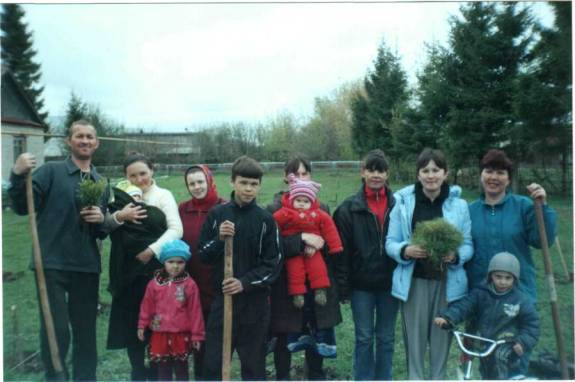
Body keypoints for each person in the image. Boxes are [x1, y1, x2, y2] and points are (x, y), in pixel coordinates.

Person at [8, 120, 107, 380]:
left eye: (89, 137)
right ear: (68, 141)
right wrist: (17, 174)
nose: (85, 141)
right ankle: (56, 376)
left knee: (86, 333)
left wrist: (100, 219)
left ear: (96, 143)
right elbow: (21, 206)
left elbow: (101, 232)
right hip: (51, 263)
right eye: (79, 136)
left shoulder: (100, 182)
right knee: (56, 330)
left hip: (86, 266)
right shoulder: (50, 172)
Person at [385, 148, 473, 380]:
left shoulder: (460, 206)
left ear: (446, 173)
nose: (431, 175)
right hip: (414, 283)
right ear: (418, 174)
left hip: (447, 284)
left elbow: (468, 244)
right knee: (414, 342)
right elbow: (390, 243)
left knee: (441, 340)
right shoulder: (403, 203)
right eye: (425, 170)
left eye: (436, 170)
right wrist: (405, 250)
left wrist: (456, 256)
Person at [466, 149, 556, 374]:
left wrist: (543, 207)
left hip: (518, 296)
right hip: (484, 299)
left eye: (500, 172)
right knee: (487, 363)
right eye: (488, 171)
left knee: (514, 361)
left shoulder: (524, 206)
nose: (493, 177)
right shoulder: (470, 211)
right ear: (481, 174)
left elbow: (542, 240)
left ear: (508, 178)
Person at [199, 155, 281, 380]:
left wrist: (244, 283)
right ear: (232, 182)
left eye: (253, 184)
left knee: (254, 367)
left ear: (259, 186)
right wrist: (219, 238)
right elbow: (203, 255)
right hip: (222, 302)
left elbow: (273, 265)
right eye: (243, 183)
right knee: (214, 364)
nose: (248, 189)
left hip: (254, 307)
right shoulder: (217, 215)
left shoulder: (266, 220)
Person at [106, 153, 183, 381]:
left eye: (143, 173)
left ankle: (159, 371)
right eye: (133, 175)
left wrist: (152, 250)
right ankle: (137, 371)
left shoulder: (163, 195)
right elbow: (109, 227)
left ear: (152, 171)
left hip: (154, 271)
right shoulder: (121, 198)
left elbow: (176, 230)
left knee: (157, 326)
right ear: (126, 177)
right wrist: (121, 214)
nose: (139, 179)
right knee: (132, 326)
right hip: (128, 272)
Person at [268, 155, 342, 380]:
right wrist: (301, 240)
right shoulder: (273, 207)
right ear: (286, 178)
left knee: (315, 333)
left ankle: (316, 374)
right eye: (295, 174)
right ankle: (283, 376)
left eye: (304, 174)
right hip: (287, 283)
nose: (300, 178)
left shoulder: (323, 207)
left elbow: (331, 240)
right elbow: (272, 245)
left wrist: (321, 245)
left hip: (316, 281)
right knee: (285, 335)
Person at [333, 149, 399, 381]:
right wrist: (343, 287)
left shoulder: (398, 204)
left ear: (387, 174)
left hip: (390, 284)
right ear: (362, 172)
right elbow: (340, 253)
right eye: (370, 170)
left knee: (386, 338)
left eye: (380, 170)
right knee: (363, 337)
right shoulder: (348, 208)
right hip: (361, 286)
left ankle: (384, 377)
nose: (375, 175)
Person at [435, 252, 539, 379]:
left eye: (508, 278)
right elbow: (463, 306)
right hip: (484, 341)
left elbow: (532, 325)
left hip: (506, 343)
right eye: (498, 277)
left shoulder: (520, 300)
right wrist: (448, 317)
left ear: (515, 279)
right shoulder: (480, 293)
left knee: (499, 359)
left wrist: (522, 341)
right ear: (490, 276)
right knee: (483, 371)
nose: (503, 282)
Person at [178, 164, 226, 379]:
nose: (197, 187)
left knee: (216, 343)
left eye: (200, 182)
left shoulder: (224, 207)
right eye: (192, 183)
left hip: (217, 284)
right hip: (192, 283)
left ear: (209, 181)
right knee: (197, 340)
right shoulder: (182, 209)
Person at [138, 240, 205, 381]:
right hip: (159, 333)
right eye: (171, 261)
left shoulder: (190, 285)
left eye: (180, 262)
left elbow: (195, 311)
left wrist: (197, 335)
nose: (175, 266)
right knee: (163, 369)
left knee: (182, 368)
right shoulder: (154, 284)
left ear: (185, 262)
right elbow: (146, 306)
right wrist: (142, 325)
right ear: (164, 262)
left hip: (180, 334)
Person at [273, 174, 343, 308]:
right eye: (298, 200)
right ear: (292, 200)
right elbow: (273, 225)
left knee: (318, 267)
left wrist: (336, 246)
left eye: (306, 201)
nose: (301, 204)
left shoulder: (318, 214)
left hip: (314, 248)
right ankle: (297, 294)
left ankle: (320, 290)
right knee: (294, 270)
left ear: (311, 202)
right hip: (293, 250)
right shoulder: (284, 213)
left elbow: (330, 229)